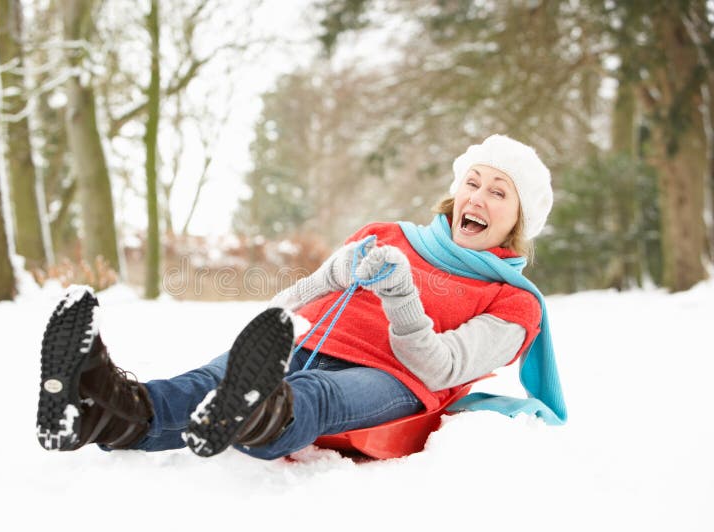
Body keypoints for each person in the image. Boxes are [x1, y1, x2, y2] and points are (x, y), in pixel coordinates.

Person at [36, 134, 567, 460]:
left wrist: (402, 296)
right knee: (204, 381)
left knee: (316, 392)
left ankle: (259, 416)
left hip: (395, 379)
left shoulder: (515, 304)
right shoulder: (387, 233)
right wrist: (316, 285)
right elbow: (304, 298)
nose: (477, 197)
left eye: (499, 192)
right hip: (312, 339)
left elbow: (441, 367)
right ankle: (95, 408)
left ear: (519, 222)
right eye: (473, 182)